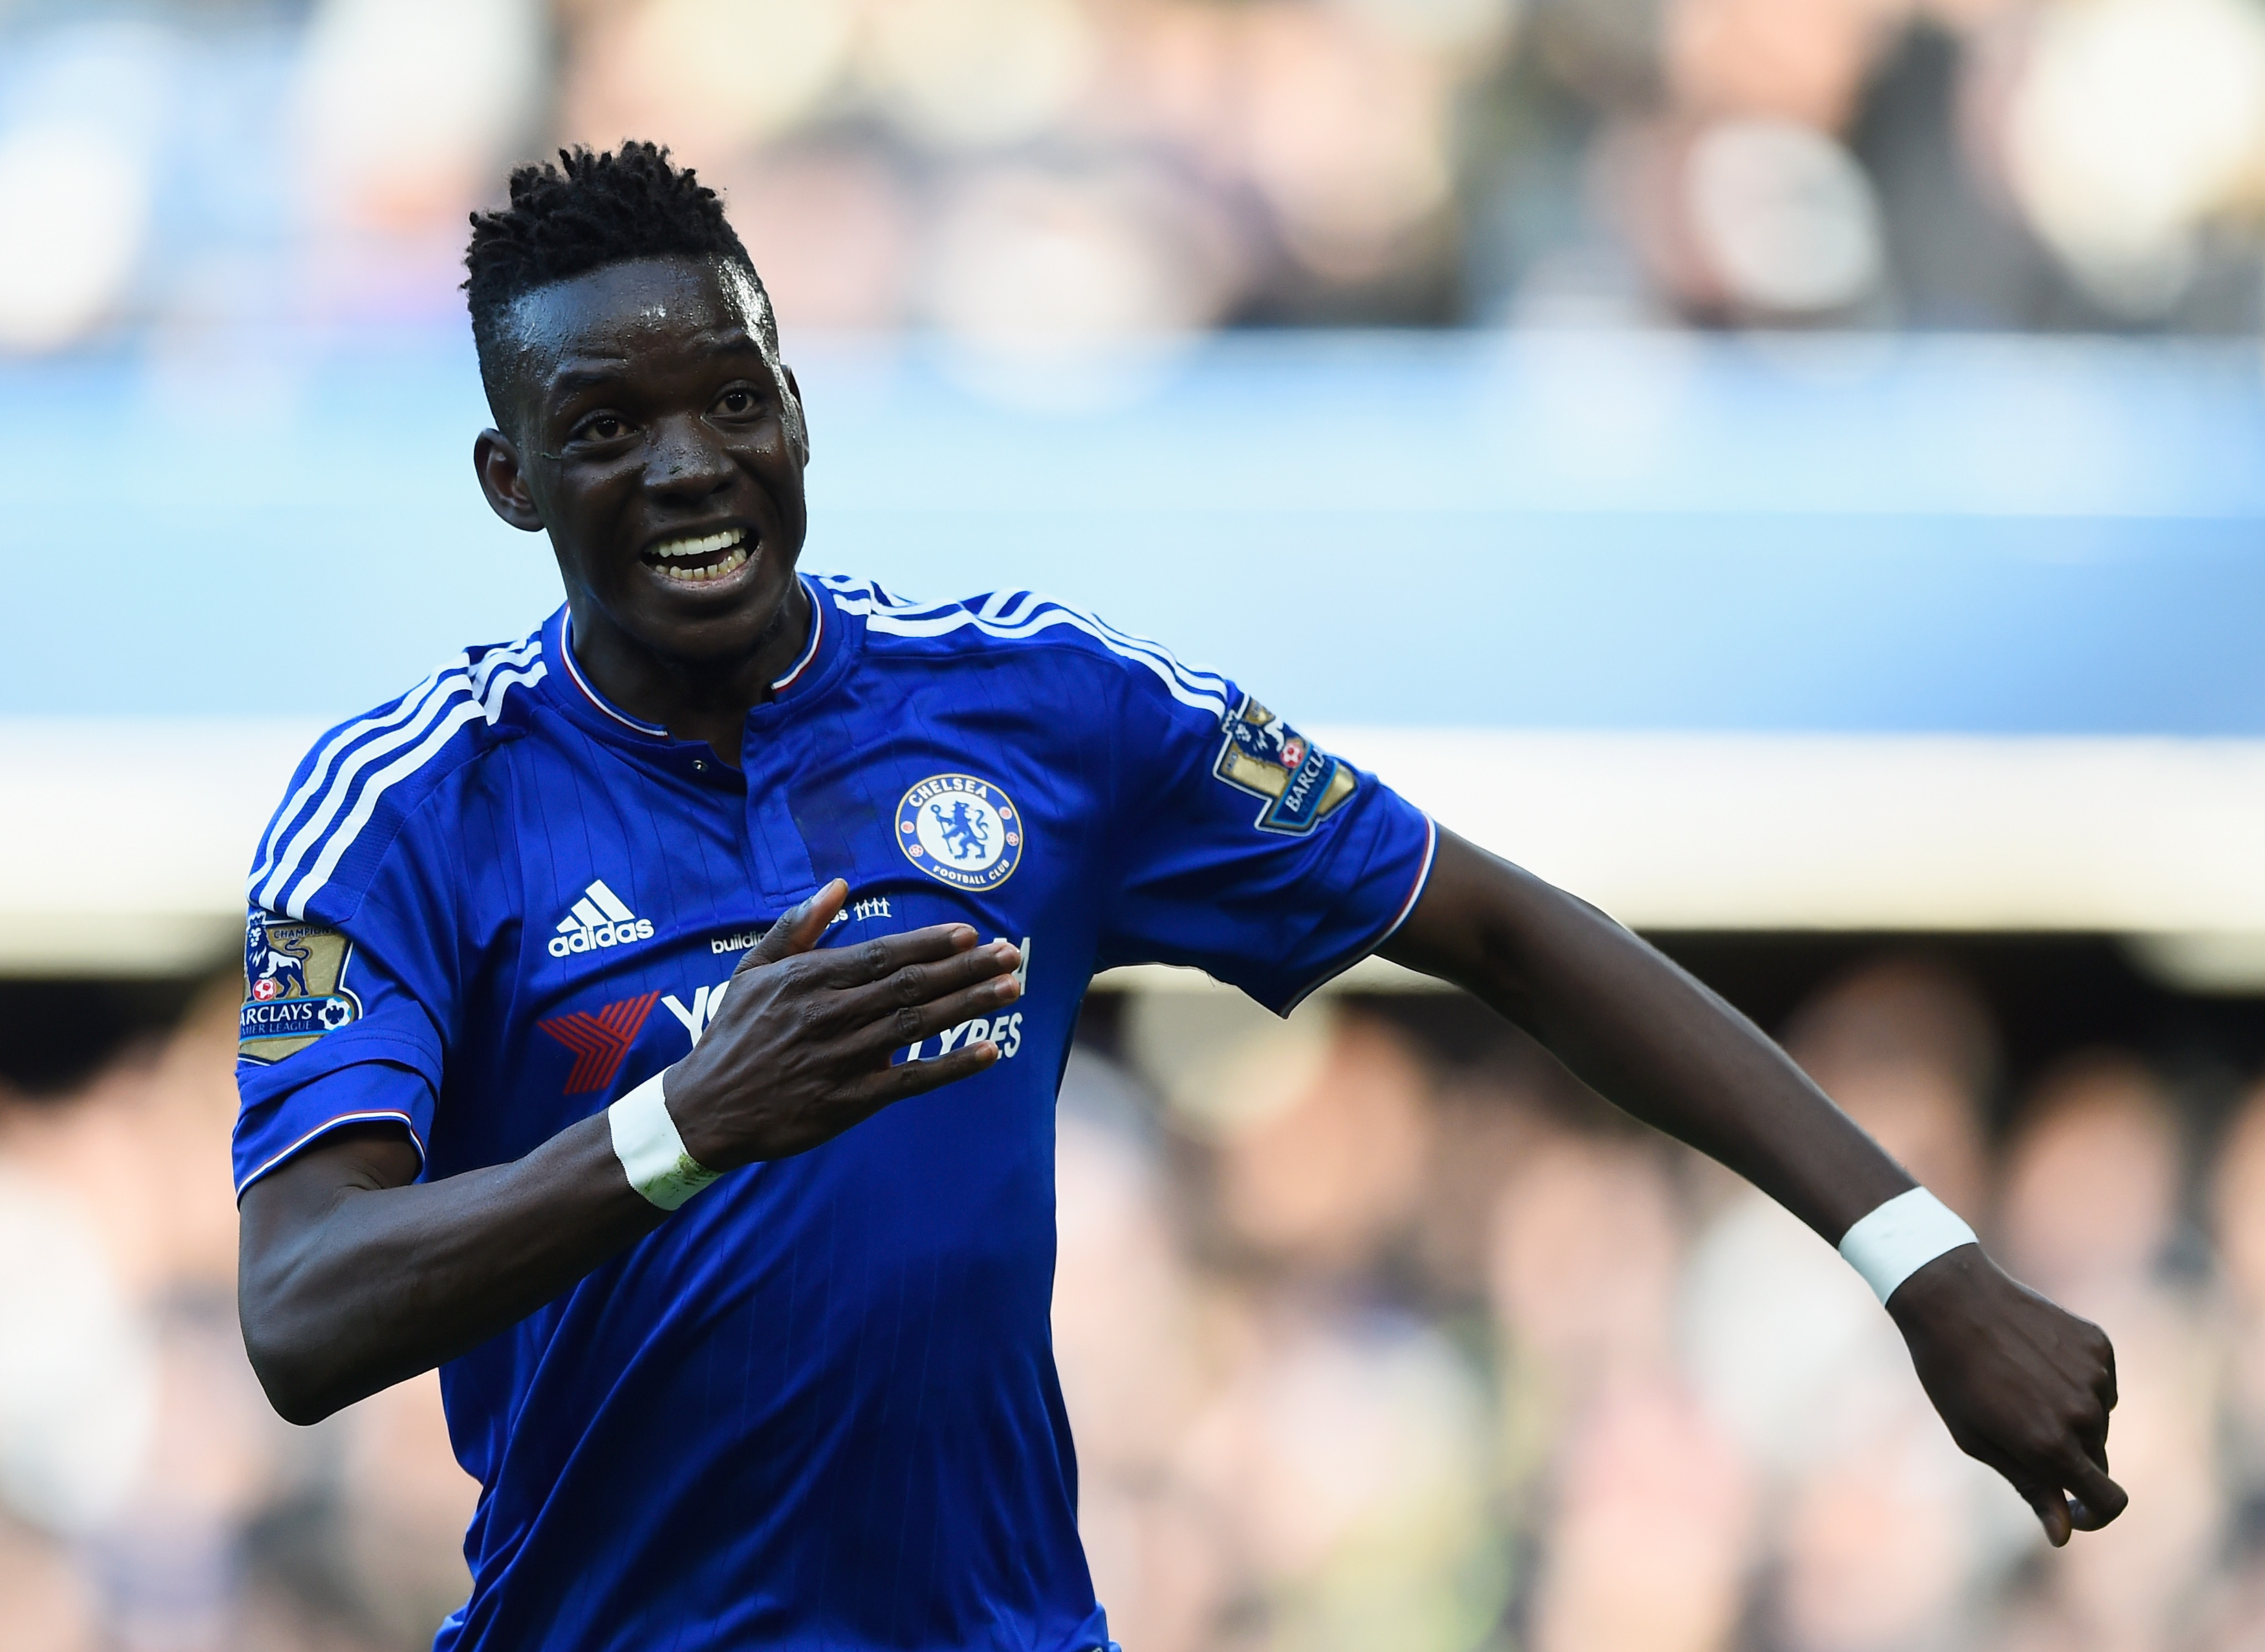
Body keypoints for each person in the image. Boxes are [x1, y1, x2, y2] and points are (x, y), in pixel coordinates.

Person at [231, 144, 2124, 1652]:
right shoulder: (407, 810)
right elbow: (305, 1316)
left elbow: (1498, 925)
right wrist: (681, 1128)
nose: (689, 466)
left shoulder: (1045, 709)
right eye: (604, 429)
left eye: (732, 397)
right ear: (507, 476)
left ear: (797, 403)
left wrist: (1920, 1263)